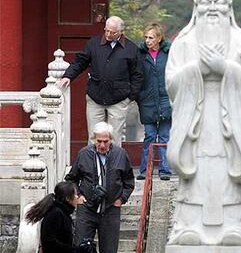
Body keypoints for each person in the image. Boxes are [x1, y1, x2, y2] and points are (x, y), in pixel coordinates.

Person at [165, 0, 241, 246]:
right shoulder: (183, 42)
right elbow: (171, 84)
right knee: (197, 171)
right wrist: (198, 70)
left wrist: (225, 68)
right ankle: (188, 226)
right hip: (196, 119)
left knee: (228, 170)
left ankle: (236, 227)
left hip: (229, 121)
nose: (213, 9)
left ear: (229, 7)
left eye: (219, 3)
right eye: (206, 3)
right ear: (196, 8)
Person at [58, 16, 143, 146]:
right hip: (95, 96)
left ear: (121, 31)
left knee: (114, 139)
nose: (108, 34)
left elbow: (137, 75)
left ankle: (114, 166)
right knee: (93, 137)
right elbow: (80, 62)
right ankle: (93, 166)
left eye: (113, 32)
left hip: (119, 99)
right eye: (106, 30)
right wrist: (68, 76)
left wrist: (130, 97)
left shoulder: (131, 49)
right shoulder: (93, 44)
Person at [65, 122, 135, 253]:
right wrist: (78, 196)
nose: (102, 145)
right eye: (99, 141)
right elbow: (71, 179)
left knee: (109, 249)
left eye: (106, 141)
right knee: (81, 248)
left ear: (111, 140)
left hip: (110, 209)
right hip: (87, 209)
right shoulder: (84, 154)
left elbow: (129, 180)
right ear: (93, 139)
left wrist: (122, 198)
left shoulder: (120, 154)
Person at [136, 23, 172, 181]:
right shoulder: (141, 54)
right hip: (147, 101)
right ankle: (145, 170)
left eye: (151, 37)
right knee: (149, 136)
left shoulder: (168, 54)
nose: (147, 40)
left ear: (159, 38)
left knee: (164, 136)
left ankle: (165, 170)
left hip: (165, 100)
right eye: (146, 37)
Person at [25, 181, 88, 253]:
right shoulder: (56, 214)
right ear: (67, 198)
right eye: (76, 194)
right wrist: (75, 250)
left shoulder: (63, 213)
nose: (77, 197)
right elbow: (50, 243)